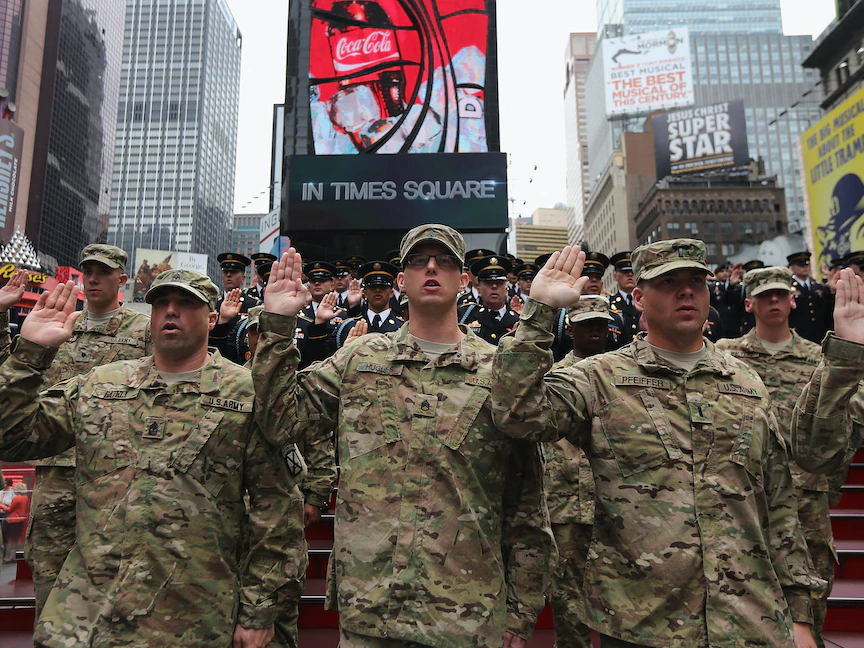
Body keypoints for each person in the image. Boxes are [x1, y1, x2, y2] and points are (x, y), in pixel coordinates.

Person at [491, 239, 822, 648]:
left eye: (696, 282)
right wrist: (540, 312)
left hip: (749, 620)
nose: (685, 291)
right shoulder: (600, 378)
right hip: (642, 623)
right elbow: (516, 415)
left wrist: (801, 614)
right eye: (668, 282)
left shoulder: (746, 382)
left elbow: (779, 502)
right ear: (639, 298)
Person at [253, 225, 554, 648]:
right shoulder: (359, 359)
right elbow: (279, 422)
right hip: (371, 612)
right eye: (418, 261)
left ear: (464, 280)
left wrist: (521, 615)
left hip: (467, 615)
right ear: (401, 280)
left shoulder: (500, 373)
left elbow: (526, 506)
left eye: (446, 261)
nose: (432, 268)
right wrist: (279, 326)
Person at [0, 270, 306, 648]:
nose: (170, 312)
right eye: (161, 303)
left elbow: (276, 511)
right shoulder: (100, 385)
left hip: (192, 618)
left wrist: (259, 610)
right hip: (86, 618)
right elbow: (10, 439)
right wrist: (29, 356)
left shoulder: (247, 393)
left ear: (212, 317)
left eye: (186, 303)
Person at [0, 245, 153, 621]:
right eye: (88, 271)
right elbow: (11, 372)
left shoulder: (143, 330)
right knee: (49, 572)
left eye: (104, 271)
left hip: (116, 470)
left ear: (122, 278)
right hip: (56, 468)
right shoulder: (59, 321)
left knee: (117, 574)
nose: (94, 278)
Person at [716, 267, 835, 647]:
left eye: (780, 295)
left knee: (813, 578)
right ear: (748, 303)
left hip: (804, 490)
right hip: (743, 490)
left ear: (792, 300)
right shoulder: (725, 356)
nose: (773, 301)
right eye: (764, 295)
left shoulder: (818, 358)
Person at [545, 295, 611, 648]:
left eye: (600, 324)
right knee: (568, 603)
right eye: (587, 324)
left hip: (618, 507)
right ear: (571, 330)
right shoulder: (553, 378)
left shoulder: (627, 377)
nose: (595, 331)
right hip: (568, 505)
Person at [458, 255, 520, 345]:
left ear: (506, 290)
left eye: (499, 283)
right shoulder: (466, 315)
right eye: (488, 283)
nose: (494, 287)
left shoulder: (517, 320)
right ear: (479, 290)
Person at [787, 252, 829, 344]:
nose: (805, 268)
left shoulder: (817, 286)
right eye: (801, 265)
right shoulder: (788, 288)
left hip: (820, 333)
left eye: (807, 265)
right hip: (800, 334)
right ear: (792, 267)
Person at [608, 252, 638, 345]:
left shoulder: (647, 302)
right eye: (624, 272)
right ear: (615, 276)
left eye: (632, 271)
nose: (629, 274)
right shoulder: (608, 303)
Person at [1, 481, 29, 563]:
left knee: (9, 539)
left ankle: (7, 557)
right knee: (17, 539)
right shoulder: (25, 497)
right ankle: (16, 556)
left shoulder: (17, 498)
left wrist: (1, 505)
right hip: (19, 519)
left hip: (13, 520)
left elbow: (9, 510)